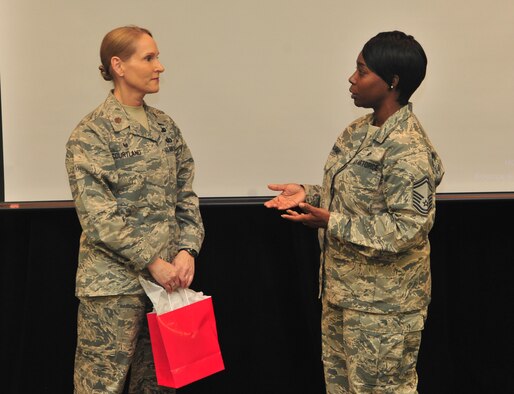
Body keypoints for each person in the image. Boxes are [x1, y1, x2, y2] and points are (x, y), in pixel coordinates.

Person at [265, 31, 444, 393]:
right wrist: (308, 193)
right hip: (343, 297)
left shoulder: (408, 148)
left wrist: (331, 222)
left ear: (392, 81)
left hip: (385, 309)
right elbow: (352, 195)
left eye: (362, 71)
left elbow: (409, 228)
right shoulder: (359, 130)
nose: (352, 78)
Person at [65, 26, 204, 393]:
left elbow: (185, 195)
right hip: (113, 288)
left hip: (168, 288)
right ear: (118, 65)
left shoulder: (165, 127)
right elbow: (99, 218)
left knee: (161, 384)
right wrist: (151, 261)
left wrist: (188, 249)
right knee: (101, 386)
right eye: (149, 58)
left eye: (157, 57)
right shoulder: (92, 133)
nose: (160, 66)